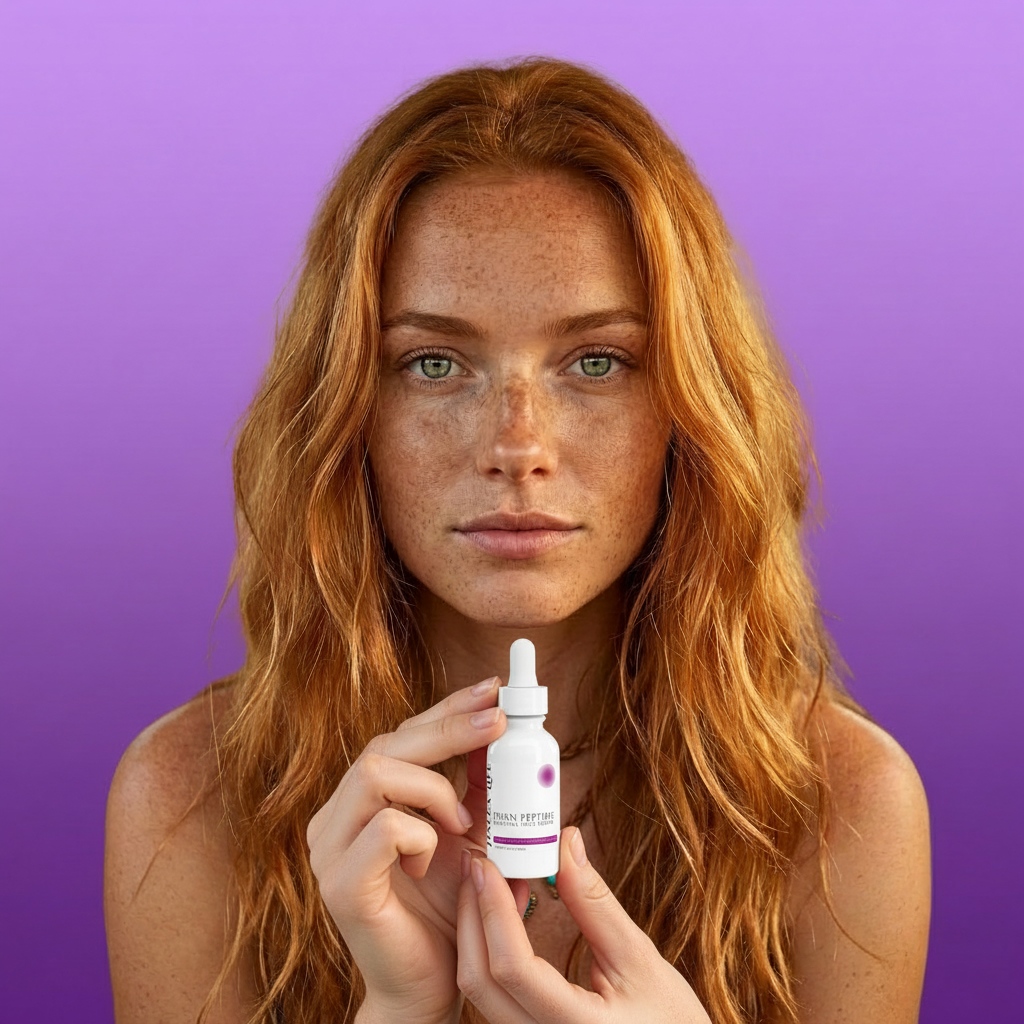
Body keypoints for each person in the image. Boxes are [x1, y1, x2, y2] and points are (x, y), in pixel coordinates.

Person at [103, 57, 930, 1024]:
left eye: (595, 361)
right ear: (345, 415)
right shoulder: (190, 802)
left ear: (688, 411)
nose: (518, 447)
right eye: (436, 363)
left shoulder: (843, 806)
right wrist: (399, 1009)